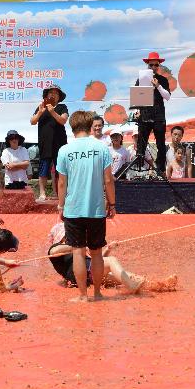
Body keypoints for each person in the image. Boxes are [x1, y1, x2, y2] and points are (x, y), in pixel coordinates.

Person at [56, 110, 115, 302]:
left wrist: (60, 205)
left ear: (71, 127)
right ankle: (97, 293)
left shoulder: (64, 150)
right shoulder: (102, 148)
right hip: (96, 208)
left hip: (73, 209)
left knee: (78, 253)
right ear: (91, 126)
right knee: (96, 253)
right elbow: (108, 180)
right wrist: (112, 203)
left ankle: (82, 295)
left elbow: (62, 183)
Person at [47, 222, 144, 293]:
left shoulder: (77, 248)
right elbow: (53, 251)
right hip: (82, 275)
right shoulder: (56, 247)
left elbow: (98, 263)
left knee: (129, 277)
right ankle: (131, 286)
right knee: (112, 261)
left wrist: (108, 249)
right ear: (62, 237)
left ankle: (151, 286)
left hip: (90, 274)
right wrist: (78, 246)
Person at [133, 51, 170, 176]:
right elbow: (138, 98)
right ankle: (139, 170)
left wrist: (158, 86)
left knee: (160, 143)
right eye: (151, 65)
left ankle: (161, 170)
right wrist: (138, 111)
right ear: (147, 65)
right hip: (145, 115)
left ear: (159, 65)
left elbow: (168, 96)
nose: (154, 67)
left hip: (159, 115)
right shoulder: (141, 79)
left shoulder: (163, 80)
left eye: (156, 65)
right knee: (141, 144)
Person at [31, 85, 68, 202]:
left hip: (60, 144)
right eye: (50, 92)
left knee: (60, 171)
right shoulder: (41, 106)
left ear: (59, 97)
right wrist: (40, 112)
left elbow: (63, 120)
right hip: (44, 143)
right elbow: (32, 121)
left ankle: (60, 193)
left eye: (56, 93)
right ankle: (42, 193)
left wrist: (52, 111)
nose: (53, 94)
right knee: (43, 170)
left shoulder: (62, 107)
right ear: (46, 95)